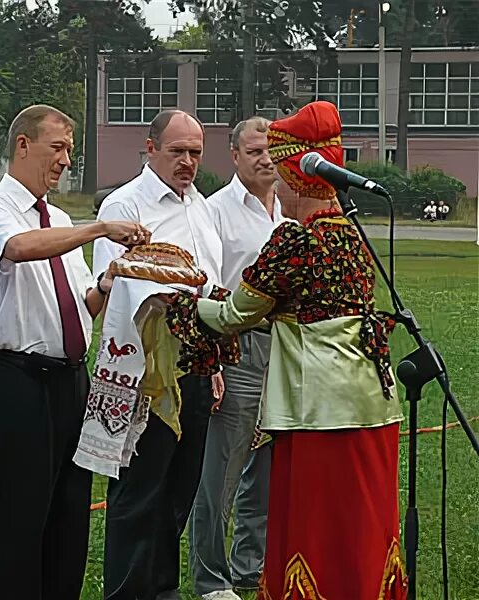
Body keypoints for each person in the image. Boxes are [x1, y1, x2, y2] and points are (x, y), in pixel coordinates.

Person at [197, 101, 407, 600]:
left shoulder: (293, 242)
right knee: (359, 521)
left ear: (296, 179)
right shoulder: (354, 238)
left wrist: (187, 303)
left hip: (318, 410)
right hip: (373, 404)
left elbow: (233, 316)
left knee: (316, 524)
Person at [0, 104, 148, 600]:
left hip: (70, 380)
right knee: (22, 517)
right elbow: (19, 248)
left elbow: (82, 305)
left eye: (71, 149)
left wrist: (109, 280)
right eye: (58, 147)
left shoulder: (59, 219)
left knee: (70, 513)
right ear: (23, 145)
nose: (67, 159)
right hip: (19, 379)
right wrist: (100, 228)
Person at [93, 109, 224, 600]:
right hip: (143, 371)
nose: (188, 162)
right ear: (150, 148)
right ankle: (127, 593)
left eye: (195, 152)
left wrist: (213, 361)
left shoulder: (201, 207)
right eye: (177, 151)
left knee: (178, 491)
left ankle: (161, 590)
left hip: (195, 365)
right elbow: (115, 293)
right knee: (138, 492)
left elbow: (210, 287)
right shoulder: (126, 207)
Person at [188, 116, 281, 600]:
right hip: (235, 347)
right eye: (256, 151)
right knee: (220, 472)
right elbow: (206, 288)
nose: (267, 158)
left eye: (272, 149)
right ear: (235, 156)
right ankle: (210, 578)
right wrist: (215, 361)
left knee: (265, 469)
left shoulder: (286, 208)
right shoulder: (215, 211)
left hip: (280, 351)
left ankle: (250, 566)